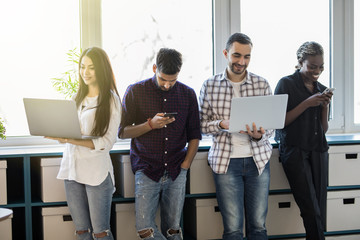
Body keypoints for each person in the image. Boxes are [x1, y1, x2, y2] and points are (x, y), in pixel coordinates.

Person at [119, 48, 201, 240]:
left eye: (172, 81)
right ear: (155, 68)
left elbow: (194, 135)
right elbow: (122, 132)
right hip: (147, 169)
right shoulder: (135, 91)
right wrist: (150, 125)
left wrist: (186, 166)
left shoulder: (187, 94)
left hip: (176, 168)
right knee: (144, 229)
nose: (167, 85)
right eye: (163, 79)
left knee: (173, 229)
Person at [199, 32, 274, 240]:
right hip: (225, 163)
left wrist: (260, 135)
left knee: (258, 226)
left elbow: (271, 127)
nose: (242, 62)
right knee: (232, 229)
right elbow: (201, 125)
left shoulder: (262, 84)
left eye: (247, 56)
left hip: (257, 161)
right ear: (226, 53)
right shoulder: (210, 85)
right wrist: (221, 124)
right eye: (237, 55)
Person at [47, 47, 121, 240]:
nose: (85, 72)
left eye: (91, 67)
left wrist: (69, 139)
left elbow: (106, 142)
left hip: (96, 174)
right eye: (82, 67)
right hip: (72, 171)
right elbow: (71, 130)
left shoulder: (111, 101)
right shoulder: (77, 97)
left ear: (102, 69)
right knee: (81, 232)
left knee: (100, 233)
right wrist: (57, 131)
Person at [274, 41, 332, 240]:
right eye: (312, 66)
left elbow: (323, 129)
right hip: (295, 150)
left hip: (318, 150)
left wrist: (323, 106)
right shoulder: (286, 83)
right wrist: (308, 103)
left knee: (319, 207)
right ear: (300, 62)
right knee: (310, 207)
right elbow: (280, 122)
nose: (317, 71)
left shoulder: (322, 88)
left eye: (321, 66)